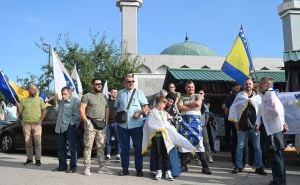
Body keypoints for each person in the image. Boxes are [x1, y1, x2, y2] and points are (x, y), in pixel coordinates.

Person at [142, 96, 195, 181]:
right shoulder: (152, 113)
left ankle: (168, 171)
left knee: (166, 153)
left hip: (165, 136)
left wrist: (171, 129)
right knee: (158, 153)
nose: (165, 105)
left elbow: (167, 124)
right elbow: (149, 124)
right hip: (157, 136)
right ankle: (159, 171)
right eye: (164, 103)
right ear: (159, 103)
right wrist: (158, 128)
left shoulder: (164, 113)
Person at [229, 79, 267, 175]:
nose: (248, 85)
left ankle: (259, 167)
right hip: (242, 127)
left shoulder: (258, 97)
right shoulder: (240, 96)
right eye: (246, 84)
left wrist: (259, 124)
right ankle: (238, 166)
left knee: (257, 147)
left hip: (255, 127)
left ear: (253, 85)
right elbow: (234, 109)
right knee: (240, 147)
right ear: (244, 85)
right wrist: (236, 124)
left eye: (250, 84)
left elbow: (261, 111)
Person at [256, 77, 288, 185]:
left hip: (273, 129)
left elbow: (276, 111)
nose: (259, 84)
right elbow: (281, 110)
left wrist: (282, 122)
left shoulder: (270, 95)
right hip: (273, 128)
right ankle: (278, 180)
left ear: (267, 84)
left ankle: (279, 182)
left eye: (262, 83)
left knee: (276, 155)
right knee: (276, 155)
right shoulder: (268, 95)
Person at [114, 75, 149, 177]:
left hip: (137, 125)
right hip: (122, 126)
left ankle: (139, 169)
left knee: (138, 148)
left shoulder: (139, 92)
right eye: (128, 81)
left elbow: (146, 106)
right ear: (124, 83)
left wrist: (140, 112)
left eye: (133, 81)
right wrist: (118, 117)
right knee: (124, 149)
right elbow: (116, 107)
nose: (131, 83)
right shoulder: (120, 93)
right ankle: (125, 169)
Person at [177, 80, 212, 175]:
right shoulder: (182, 97)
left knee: (200, 145)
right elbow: (179, 107)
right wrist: (191, 106)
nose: (191, 89)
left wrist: (186, 106)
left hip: (196, 123)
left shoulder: (198, 96)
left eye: (192, 87)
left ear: (194, 87)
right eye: (189, 87)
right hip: (184, 123)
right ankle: (184, 165)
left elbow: (198, 104)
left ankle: (205, 167)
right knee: (183, 144)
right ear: (185, 88)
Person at [79, 78, 110, 176]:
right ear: (92, 85)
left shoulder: (104, 96)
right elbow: (81, 109)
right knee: (88, 146)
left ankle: (102, 167)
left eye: (100, 84)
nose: (99, 85)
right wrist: (86, 121)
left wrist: (106, 121)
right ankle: (87, 168)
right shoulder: (87, 96)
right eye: (97, 84)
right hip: (91, 124)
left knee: (101, 146)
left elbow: (107, 108)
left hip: (101, 124)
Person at [18, 83, 46, 166]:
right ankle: (29, 159)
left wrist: (41, 120)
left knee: (38, 142)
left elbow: (44, 111)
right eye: (33, 89)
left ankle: (38, 159)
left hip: (37, 124)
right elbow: (20, 113)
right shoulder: (24, 100)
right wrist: (17, 107)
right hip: (26, 124)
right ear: (29, 90)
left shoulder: (40, 99)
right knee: (28, 142)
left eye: (36, 89)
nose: (35, 90)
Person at [53, 87, 80, 173]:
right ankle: (62, 166)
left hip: (70, 126)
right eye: (62, 94)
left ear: (70, 93)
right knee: (61, 147)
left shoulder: (75, 101)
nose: (63, 96)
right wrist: (56, 101)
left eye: (65, 94)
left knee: (72, 148)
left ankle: (73, 167)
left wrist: (72, 124)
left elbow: (77, 116)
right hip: (60, 127)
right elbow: (57, 112)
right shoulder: (61, 102)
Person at [104, 88, 121, 162]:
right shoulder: (107, 102)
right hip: (108, 124)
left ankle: (118, 155)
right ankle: (108, 155)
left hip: (117, 123)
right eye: (113, 92)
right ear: (110, 93)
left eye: (116, 92)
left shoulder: (119, 102)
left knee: (118, 140)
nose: (115, 94)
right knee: (108, 140)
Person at [199, 89, 213, 163]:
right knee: (198, 142)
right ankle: (199, 158)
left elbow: (207, 116)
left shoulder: (205, 106)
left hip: (203, 126)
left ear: (204, 95)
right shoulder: (195, 104)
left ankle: (209, 156)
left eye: (201, 93)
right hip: (196, 126)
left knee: (206, 142)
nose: (200, 94)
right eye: (199, 93)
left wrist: (204, 125)